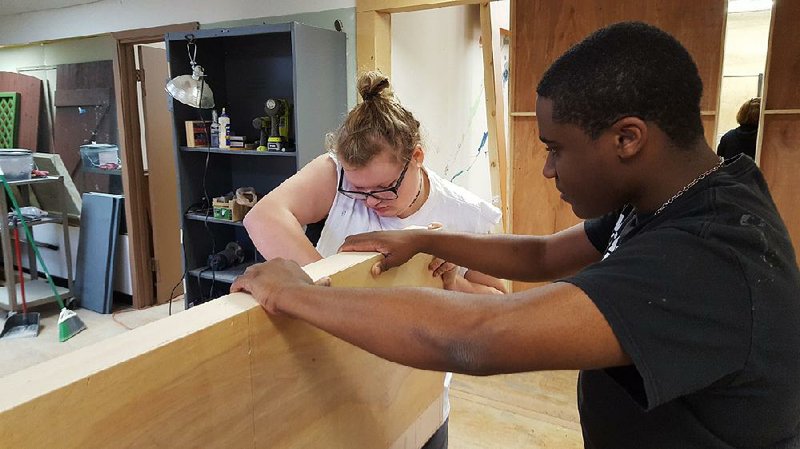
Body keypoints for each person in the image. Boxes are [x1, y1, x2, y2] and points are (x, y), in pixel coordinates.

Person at [232, 22, 800, 449]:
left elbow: (478, 335)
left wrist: (298, 292)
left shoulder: (707, 256)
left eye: (556, 149)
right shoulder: (672, 198)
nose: (549, 170)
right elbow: (544, 252)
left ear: (628, 139)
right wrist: (427, 240)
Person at [243, 71, 505, 449]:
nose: (369, 202)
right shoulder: (334, 175)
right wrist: (326, 291)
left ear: (416, 158)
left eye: (383, 189)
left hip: (419, 398)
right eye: (358, 190)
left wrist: (453, 283)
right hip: (336, 385)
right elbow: (262, 218)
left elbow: (498, 305)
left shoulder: (466, 214)